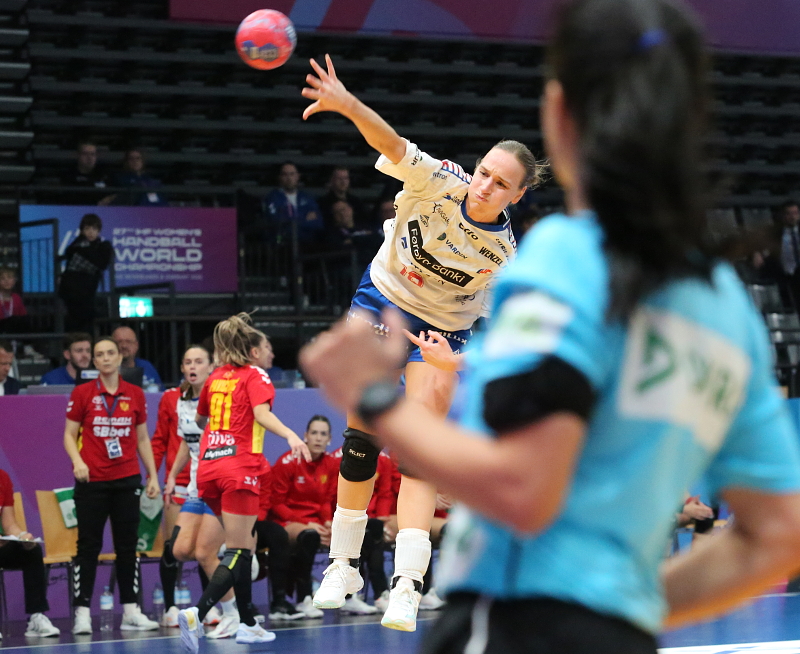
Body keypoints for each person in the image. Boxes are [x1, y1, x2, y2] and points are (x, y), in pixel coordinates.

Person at [299, 1, 800, 652]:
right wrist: (620, 608)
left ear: (559, 113)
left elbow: (522, 488)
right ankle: (357, 568)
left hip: (514, 625)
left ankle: (387, 574)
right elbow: (779, 532)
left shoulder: (556, 262)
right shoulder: (722, 302)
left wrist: (374, 399)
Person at [301, 54, 538, 631]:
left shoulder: (505, 258)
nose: (485, 185)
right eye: (484, 172)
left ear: (516, 196)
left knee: (417, 450)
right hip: (382, 298)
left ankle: (407, 584)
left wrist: (456, 359)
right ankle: (343, 566)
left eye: (501, 183)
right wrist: (347, 104)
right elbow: (392, 142)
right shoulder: (438, 181)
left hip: (440, 327)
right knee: (361, 434)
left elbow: (518, 340)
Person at [177, 313, 312, 652]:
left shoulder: (215, 377)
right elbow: (262, 414)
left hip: (208, 469)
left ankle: (248, 623)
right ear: (251, 350)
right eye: (263, 348)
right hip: (239, 469)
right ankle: (197, 612)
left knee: (243, 547)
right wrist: (291, 435)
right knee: (239, 551)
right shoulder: (255, 375)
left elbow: (200, 419)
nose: (267, 353)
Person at [62, 336, 161, 634]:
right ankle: (82, 613)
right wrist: (78, 462)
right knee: (88, 547)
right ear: (94, 361)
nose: (105, 358)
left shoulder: (135, 394)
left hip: (126, 479)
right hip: (91, 481)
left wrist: (152, 475)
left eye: (110, 353)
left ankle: (131, 611)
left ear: (119, 357)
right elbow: (69, 435)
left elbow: (142, 438)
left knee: (128, 546)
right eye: (100, 355)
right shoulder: (82, 393)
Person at [161, 344, 240, 639]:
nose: (192, 366)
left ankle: (232, 614)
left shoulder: (221, 400)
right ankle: (233, 552)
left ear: (211, 366)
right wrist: (171, 476)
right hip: (196, 487)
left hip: (219, 485)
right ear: (183, 368)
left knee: (204, 553)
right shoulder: (181, 400)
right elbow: (187, 441)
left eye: (198, 361)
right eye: (187, 362)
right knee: (180, 550)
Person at [267, 415, 338, 618]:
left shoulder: (331, 464)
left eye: (323, 434)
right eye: (314, 433)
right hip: (287, 521)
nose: (318, 438)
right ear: (305, 436)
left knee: (346, 536)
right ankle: (304, 598)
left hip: (314, 523)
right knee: (309, 536)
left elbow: (325, 501)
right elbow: (276, 504)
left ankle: (350, 598)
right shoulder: (288, 462)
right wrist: (307, 524)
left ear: (329, 439)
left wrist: (328, 522)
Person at [0, 468, 60, 638]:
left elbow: (9, 524)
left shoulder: (2, 477)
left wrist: (22, 536)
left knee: (31, 551)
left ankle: (36, 617)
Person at [58, 213, 113, 333]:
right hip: (72, 289)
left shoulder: (103, 246)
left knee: (86, 319)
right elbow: (70, 254)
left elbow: (102, 263)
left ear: (99, 230)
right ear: (82, 230)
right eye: (87, 228)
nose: (90, 232)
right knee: (75, 319)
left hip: (88, 289)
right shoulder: (76, 245)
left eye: (94, 229)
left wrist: (82, 251)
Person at [261, 162, 324, 246]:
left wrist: (293, 220)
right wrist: (305, 219)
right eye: (285, 174)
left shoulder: (307, 197)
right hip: (283, 246)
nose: (289, 178)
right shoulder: (273, 197)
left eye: (292, 174)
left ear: (298, 176)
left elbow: (318, 223)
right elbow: (278, 222)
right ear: (280, 177)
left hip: (307, 244)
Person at [112, 325, 163, 391]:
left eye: (128, 342)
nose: (124, 346)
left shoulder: (146, 366)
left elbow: (160, 393)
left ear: (136, 345)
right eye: (119, 342)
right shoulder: (106, 369)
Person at [61, 140, 111, 205]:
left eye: (92, 154)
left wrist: (110, 198)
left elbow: (116, 193)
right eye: (85, 154)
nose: (89, 158)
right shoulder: (69, 175)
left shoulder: (104, 174)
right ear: (77, 155)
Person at [779, 200, 800, 307]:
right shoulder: (776, 234)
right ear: (783, 215)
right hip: (784, 275)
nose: (792, 217)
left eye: (795, 213)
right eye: (789, 213)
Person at [0, 266, 28, 334]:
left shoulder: (17, 298)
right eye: (2, 278)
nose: (6, 281)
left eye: (9, 277)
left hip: (14, 333)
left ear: (14, 280)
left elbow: (23, 317)